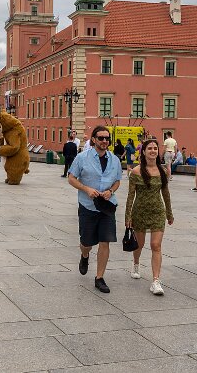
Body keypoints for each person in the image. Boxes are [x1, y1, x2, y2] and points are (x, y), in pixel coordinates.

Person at [67, 126, 122, 294]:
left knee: (105, 241)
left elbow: (118, 181)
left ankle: (99, 278)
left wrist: (111, 191)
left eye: (107, 138)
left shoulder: (115, 160)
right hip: (87, 206)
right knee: (87, 243)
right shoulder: (82, 158)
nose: (104, 141)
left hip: (107, 206)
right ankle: (85, 256)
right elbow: (71, 178)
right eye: (101, 138)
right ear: (94, 139)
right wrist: (86, 189)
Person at [125, 139, 174, 296]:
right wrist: (128, 216)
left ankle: (155, 281)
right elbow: (130, 196)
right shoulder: (136, 172)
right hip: (140, 211)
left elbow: (166, 194)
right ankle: (136, 264)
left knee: (155, 245)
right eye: (150, 148)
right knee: (139, 244)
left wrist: (169, 213)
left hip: (157, 212)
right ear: (144, 152)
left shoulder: (163, 171)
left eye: (155, 148)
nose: (153, 151)